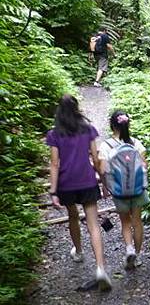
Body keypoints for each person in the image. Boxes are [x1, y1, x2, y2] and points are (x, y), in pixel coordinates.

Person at [47, 94, 112, 291]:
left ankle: (79, 250)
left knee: (72, 216)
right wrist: (104, 183)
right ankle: (100, 268)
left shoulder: (55, 133)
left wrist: (53, 191)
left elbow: (55, 163)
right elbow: (96, 158)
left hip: (66, 184)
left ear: (59, 110)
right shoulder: (88, 129)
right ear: (76, 109)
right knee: (93, 224)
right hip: (87, 181)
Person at [99, 111, 149, 270]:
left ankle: (129, 248)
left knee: (125, 222)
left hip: (119, 190)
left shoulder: (105, 146)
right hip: (138, 188)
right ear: (128, 124)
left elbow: (102, 169)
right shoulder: (136, 143)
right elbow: (144, 166)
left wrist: (105, 187)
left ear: (112, 125)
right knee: (137, 221)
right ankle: (138, 256)